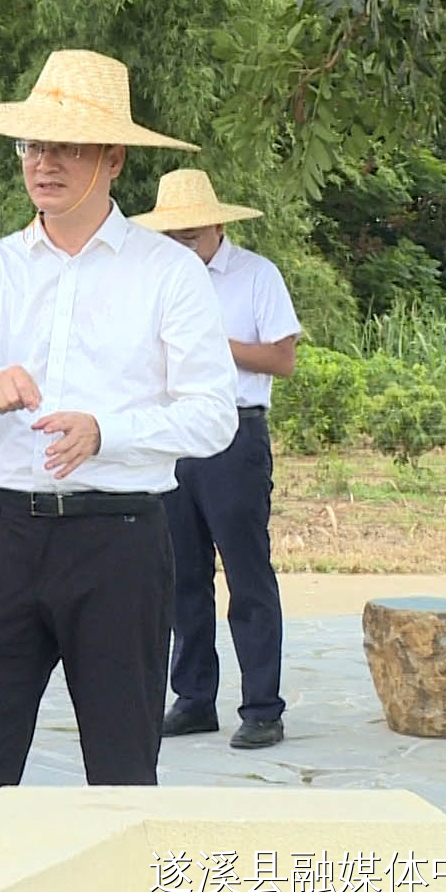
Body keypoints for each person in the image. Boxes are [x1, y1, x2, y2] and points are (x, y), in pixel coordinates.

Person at [0, 49, 239, 806]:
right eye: (33, 144)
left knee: (122, 765)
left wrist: (108, 432)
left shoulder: (169, 272)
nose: (44, 163)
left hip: (119, 540)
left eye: (67, 146)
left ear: (113, 158)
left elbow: (213, 414)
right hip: (8, 532)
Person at [131, 169, 300, 749]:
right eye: (172, 234)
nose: (182, 243)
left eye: (191, 233)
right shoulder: (153, 280)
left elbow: (282, 359)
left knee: (247, 573)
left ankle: (262, 707)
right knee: (181, 575)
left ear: (218, 226)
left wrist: (212, 345)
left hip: (235, 433)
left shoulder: (256, 275)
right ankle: (193, 699)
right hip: (174, 432)